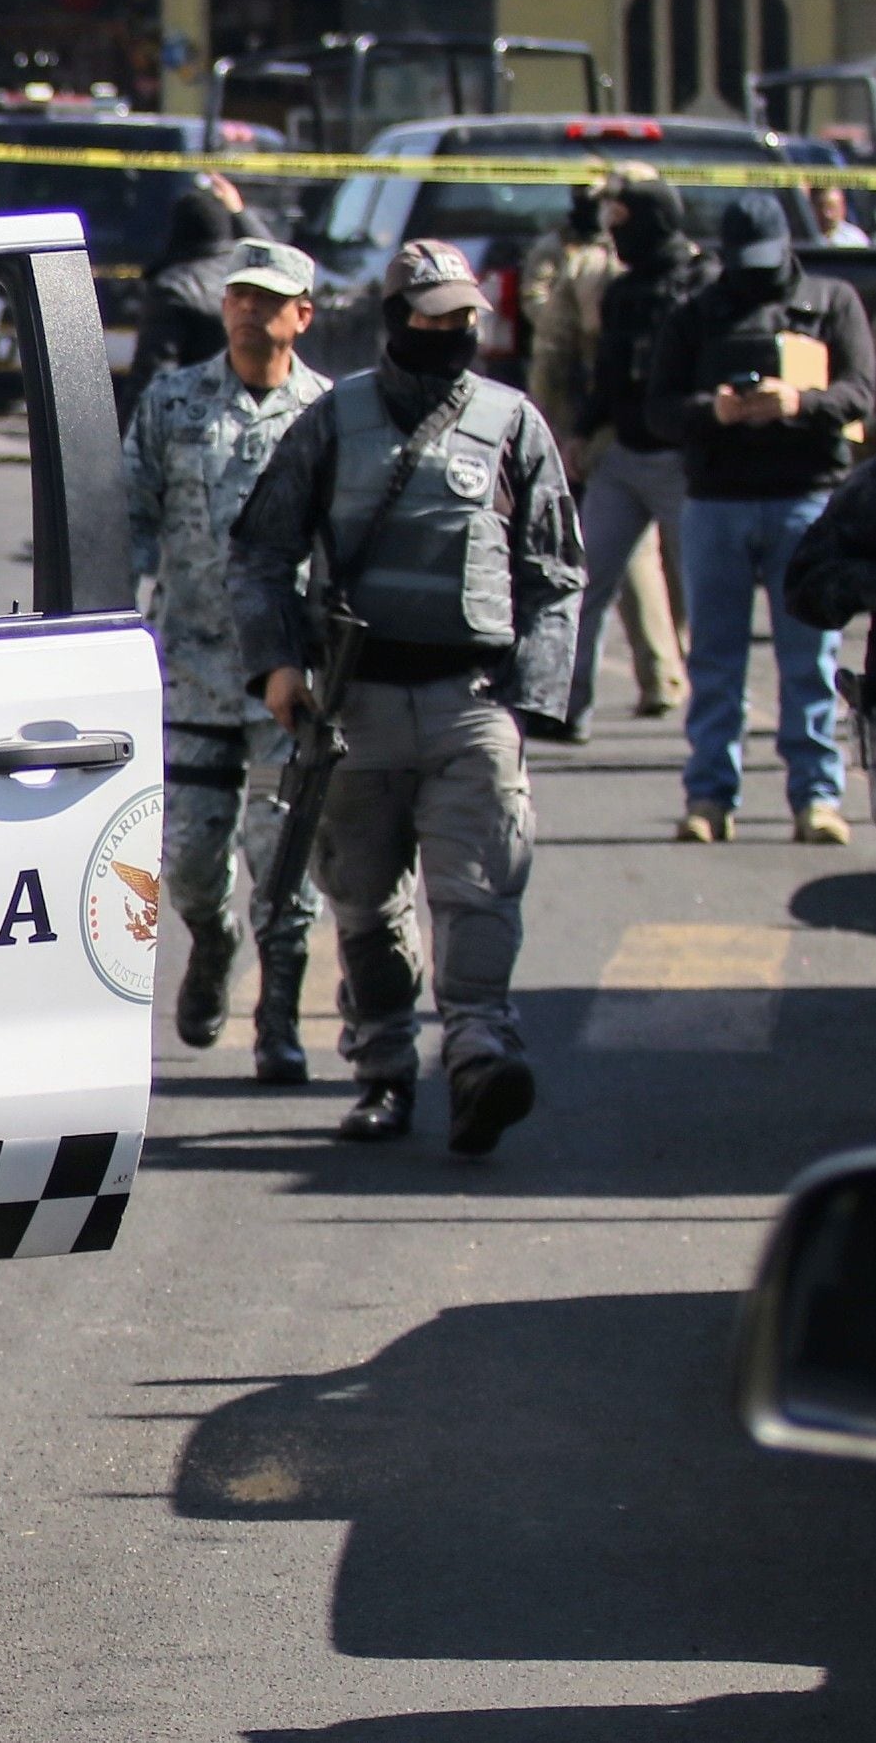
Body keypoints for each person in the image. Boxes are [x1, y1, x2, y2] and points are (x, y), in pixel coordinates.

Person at [231, 239, 581, 1155]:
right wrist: (276, 665)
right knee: (367, 907)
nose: (449, 331)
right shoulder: (334, 422)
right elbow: (262, 549)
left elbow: (554, 570)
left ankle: (477, 1056)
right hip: (356, 709)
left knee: (478, 895)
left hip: (471, 700)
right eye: (431, 317)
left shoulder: (511, 424)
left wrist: (530, 696)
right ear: (395, 319)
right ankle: (384, 1070)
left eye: (463, 318)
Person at [125, 237, 331, 1079]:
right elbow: (130, 515)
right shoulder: (173, 404)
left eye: (266, 298)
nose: (248, 309)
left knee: (284, 858)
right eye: (238, 296)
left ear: (300, 316)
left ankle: (277, 1014)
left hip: (290, 676)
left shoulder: (327, 416)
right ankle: (213, 944)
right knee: (189, 862)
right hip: (195, 671)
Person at [648, 192, 876, 843]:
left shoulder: (830, 303)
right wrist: (711, 411)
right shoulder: (693, 314)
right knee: (714, 660)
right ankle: (709, 797)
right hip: (715, 500)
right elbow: (658, 410)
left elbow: (861, 391)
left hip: (804, 498)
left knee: (809, 660)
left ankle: (816, 798)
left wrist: (798, 402)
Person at [557, 167, 691, 740]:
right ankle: (568, 708)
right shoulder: (624, 293)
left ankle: (711, 718)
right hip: (624, 455)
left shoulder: (698, 287)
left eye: (624, 221)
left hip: (685, 462)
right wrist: (582, 433)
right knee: (585, 583)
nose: (614, 233)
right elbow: (609, 374)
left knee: (703, 595)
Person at [125, 184, 248, 406]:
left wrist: (128, 435)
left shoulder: (173, 289)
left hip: (193, 424)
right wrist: (240, 214)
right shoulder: (250, 280)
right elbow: (277, 262)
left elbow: (153, 377)